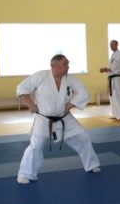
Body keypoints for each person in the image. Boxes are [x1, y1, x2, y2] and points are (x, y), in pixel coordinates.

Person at [16, 55, 101, 184]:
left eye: (68, 64)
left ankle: (91, 164)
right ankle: (25, 173)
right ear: (55, 66)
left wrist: (69, 105)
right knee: (35, 146)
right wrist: (30, 104)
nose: (68, 67)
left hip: (64, 117)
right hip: (43, 119)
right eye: (65, 64)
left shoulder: (70, 79)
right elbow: (22, 88)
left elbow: (84, 93)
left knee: (83, 137)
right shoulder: (40, 76)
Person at [100, 40, 120, 121]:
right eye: (110, 45)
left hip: (117, 78)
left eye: (113, 45)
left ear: (117, 45)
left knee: (119, 96)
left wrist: (108, 69)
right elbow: (112, 66)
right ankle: (115, 114)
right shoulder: (113, 55)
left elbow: (119, 67)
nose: (111, 46)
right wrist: (106, 69)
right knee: (113, 97)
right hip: (112, 78)